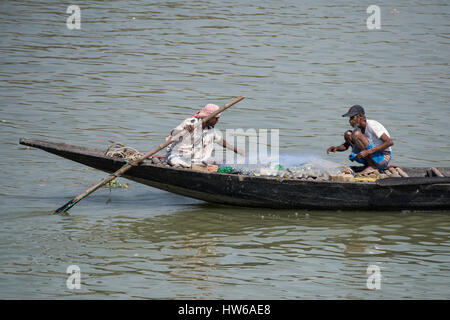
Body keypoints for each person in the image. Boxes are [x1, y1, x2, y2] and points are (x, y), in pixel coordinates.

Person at [166, 103, 244, 169]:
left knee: (226, 162)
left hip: (199, 159)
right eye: (216, 118)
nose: (217, 121)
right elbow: (174, 133)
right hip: (180, 156)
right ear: (208, 117)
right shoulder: (191, 122)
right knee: (177, 162)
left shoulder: (210, 128)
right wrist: (184, 130)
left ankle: (198, 167)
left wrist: (236, 150)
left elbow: (220, 141)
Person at [327, 105, 393, 174]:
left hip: (382, 158)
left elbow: (389, 142)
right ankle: (369, 165)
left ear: (360, 116)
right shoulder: (358, 128)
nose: (350, 121)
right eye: (350, 118)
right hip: (369, 158)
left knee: (356, 134)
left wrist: (368, 152)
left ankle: (373, 167)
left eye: (352, 118)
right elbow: (346, 145)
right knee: (348, 134)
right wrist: (336, 148)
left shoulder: (372, 125)